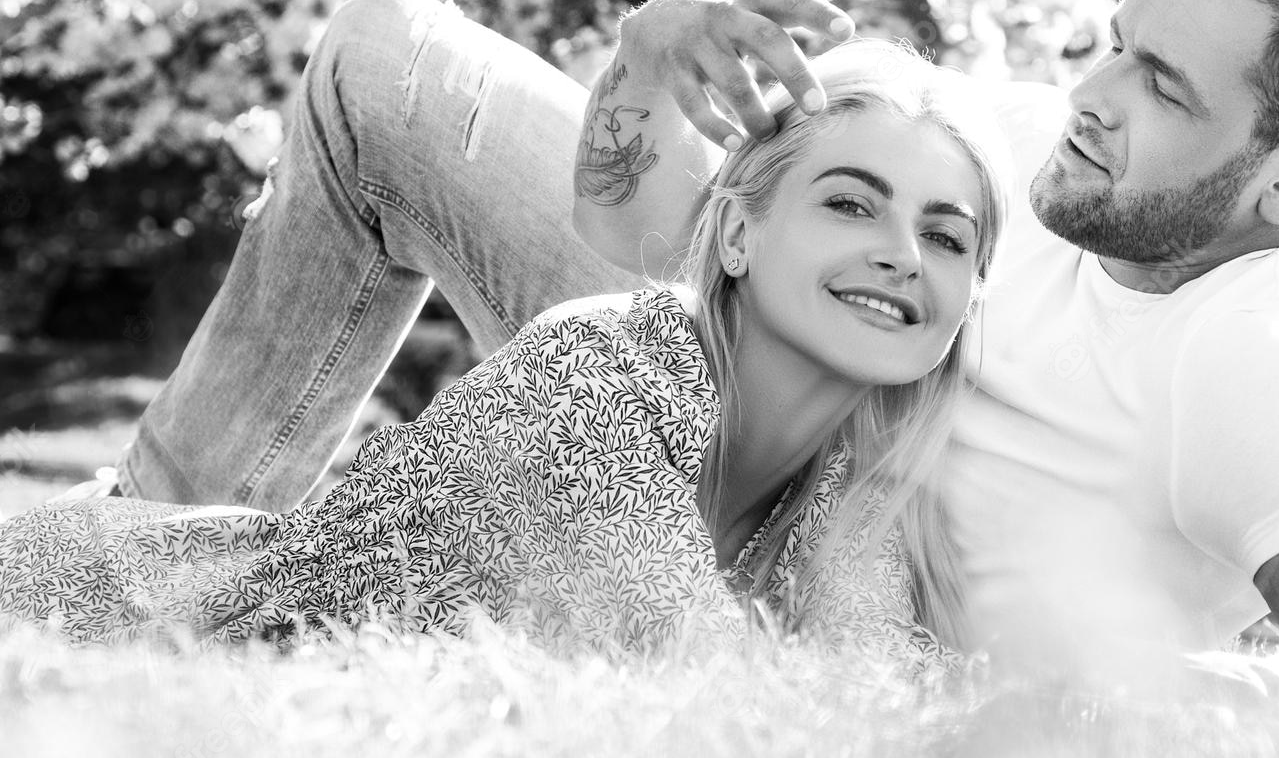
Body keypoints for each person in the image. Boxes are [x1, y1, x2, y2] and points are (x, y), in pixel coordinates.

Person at [100, 0, 1279, 695]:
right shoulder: (1027, 154)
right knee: (385, 62)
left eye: (1162, 85)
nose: (1091, 95)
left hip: (807, 609)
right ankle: (141, 549)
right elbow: (642, 225)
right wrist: (651, 69)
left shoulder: (1260, 359)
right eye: (1117, 44)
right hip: (700, 399)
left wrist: (1185, 696)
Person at [0, 41, 1008, 662]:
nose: (898, 256)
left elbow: (893, 700)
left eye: (946, 236)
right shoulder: (594, 378)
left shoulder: (851, 500)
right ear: (736, 235)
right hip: (97, 625)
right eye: (849, 204)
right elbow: (711, 695)